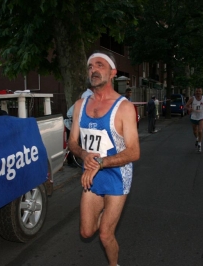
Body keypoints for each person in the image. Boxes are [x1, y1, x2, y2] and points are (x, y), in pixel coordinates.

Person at [68, 50, 140, 266]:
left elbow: (134, 152)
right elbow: (72, 142)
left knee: (106, 235)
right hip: (91, 176)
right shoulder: (80, 106)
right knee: (86, 231)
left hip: (117, 177)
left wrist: (101, 162)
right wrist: (83, 153)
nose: (93, 70)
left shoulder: (124, 108)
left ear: (112, 72)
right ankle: (106, 216)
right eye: (90, 66)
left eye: (99, 65)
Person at [185, 88, 203, 153]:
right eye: (197, 91)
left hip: (201, 116)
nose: (198, 92)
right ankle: (197, 138)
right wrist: (189, 108)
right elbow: (186, 106)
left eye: (199, 91)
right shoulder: (192, 99)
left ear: (201, 92)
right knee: (195, 131)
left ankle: (199, 144)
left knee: (200, 130)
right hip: (194, 116)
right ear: (195, 92)